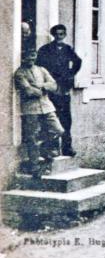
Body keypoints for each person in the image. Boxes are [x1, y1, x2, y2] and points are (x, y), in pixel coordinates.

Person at [14, 49, 65, 177]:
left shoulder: (41, 70)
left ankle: (44, 150)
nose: (31, 59)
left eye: (33, 56)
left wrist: (40, 85)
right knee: (32, 138)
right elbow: (29, 92)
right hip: (30, 109)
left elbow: (53, 86)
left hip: (47, 107)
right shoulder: (20, 73)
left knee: (59, 130)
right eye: (28, 57)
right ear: (23, 58)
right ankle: (35, 166)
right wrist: (41, 88)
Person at [36, 24, 81, 157]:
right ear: (53, 35)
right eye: (56, 34)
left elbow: (78, 62)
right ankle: (52, 148)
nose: (59, 37)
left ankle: (67, 147)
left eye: (62, 34)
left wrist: (70, 74)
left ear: (65, 35)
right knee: (51, 118)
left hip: (63, 88)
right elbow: (39, 66)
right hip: (51, 88)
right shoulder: (45, 49)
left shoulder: (68, 49)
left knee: (66, 119)